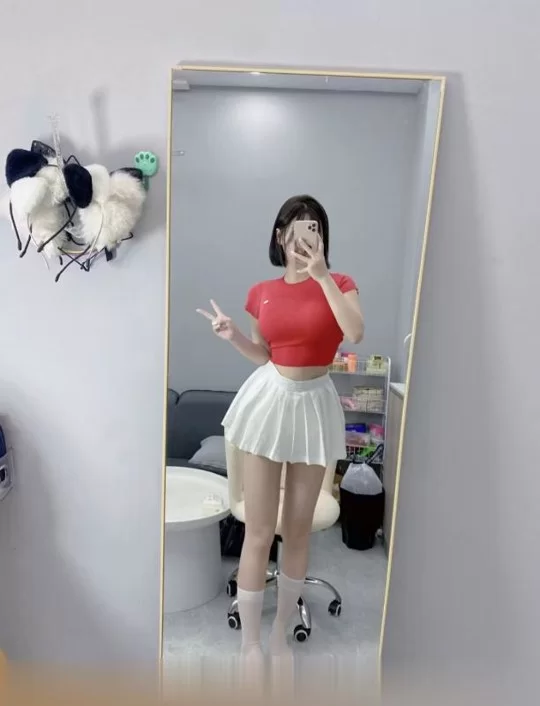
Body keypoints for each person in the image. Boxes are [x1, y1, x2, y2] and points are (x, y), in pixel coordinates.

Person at [196, 195, 364, 670]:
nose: (305, 236)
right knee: (259, 530)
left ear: (322, 237)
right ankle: (249, 644)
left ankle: (278, 636)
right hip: (270, 401)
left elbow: (354, 333)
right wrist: (234, 336)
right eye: (296, 228)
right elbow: (265, 355)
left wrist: (322, 276)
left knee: (297, 531)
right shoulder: (261, 292)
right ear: (279, 235)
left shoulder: (340, 284)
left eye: (315, 228)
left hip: (314, 404)